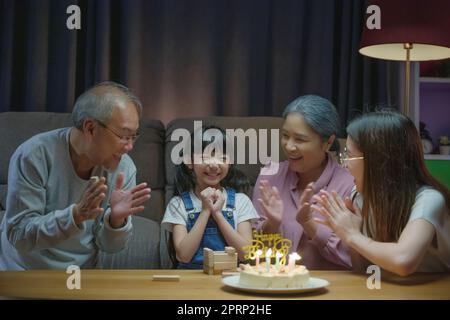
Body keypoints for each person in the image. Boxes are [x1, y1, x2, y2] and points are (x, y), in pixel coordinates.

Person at [0, 81, 151, 270]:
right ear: (90, 128)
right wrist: (75, 215)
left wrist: (116, 221)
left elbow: (110, 247)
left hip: (80, 275)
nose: (129, 147)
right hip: (24, 272)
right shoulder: (34, 155)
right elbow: (19, 235)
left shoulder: (125, 168)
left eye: (133, 136)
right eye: (123, 136)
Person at [313, 110, 450, 276]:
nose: (344, 165)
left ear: (378, 161)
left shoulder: (428, 199)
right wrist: (352, 234)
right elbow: (363, 269)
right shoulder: (360, 196)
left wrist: (352, 235)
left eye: (349, 155)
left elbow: (403, 261)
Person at [252, 95, 355, 269]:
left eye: (300, 139)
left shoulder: (349, 184)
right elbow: (253, 252)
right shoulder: (269, 175)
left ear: (328, 142)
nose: (289, 146)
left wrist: (310, 225)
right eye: (285, 135)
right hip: (275, 286)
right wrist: (272, 225)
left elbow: (353, 258)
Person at [162, 125, 259, 268]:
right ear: (189, 161)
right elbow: (183, 255)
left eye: (222, 157)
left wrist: (218, 214)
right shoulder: (178, 204)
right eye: (204, 157)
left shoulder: (241, 201)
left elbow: (246, 253)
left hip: (230, 278)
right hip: (191, 281)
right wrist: (205, 211)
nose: (214, 165)